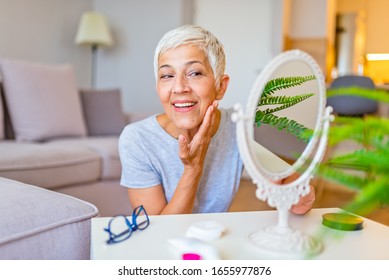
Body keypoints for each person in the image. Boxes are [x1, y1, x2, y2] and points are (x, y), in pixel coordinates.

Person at [118, 24, 315, 215]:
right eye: (167, 75)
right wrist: (192, 168)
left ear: (220, 86)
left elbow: (291, 186)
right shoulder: (137, 139)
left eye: (194, 73)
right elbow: (158, 232)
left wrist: (297, 193)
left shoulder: (238, 127)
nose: (179, 87)